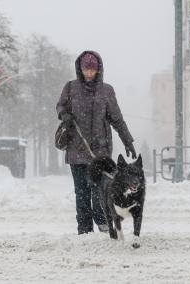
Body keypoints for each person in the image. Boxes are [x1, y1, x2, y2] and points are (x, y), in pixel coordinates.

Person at [56, 51, 136, 235]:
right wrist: (64, 114)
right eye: (86, 69)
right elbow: (60, 105)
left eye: (92, 69)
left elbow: (116, 119)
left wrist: (127, 141)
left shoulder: (106, 91)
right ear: (80, 69)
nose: (89, 73)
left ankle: (103, 225)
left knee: (99, 191)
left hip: (100, 152)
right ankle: (84, 230)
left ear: (98, 69)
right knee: (81, 193)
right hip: (76, 148)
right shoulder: (70, 87)